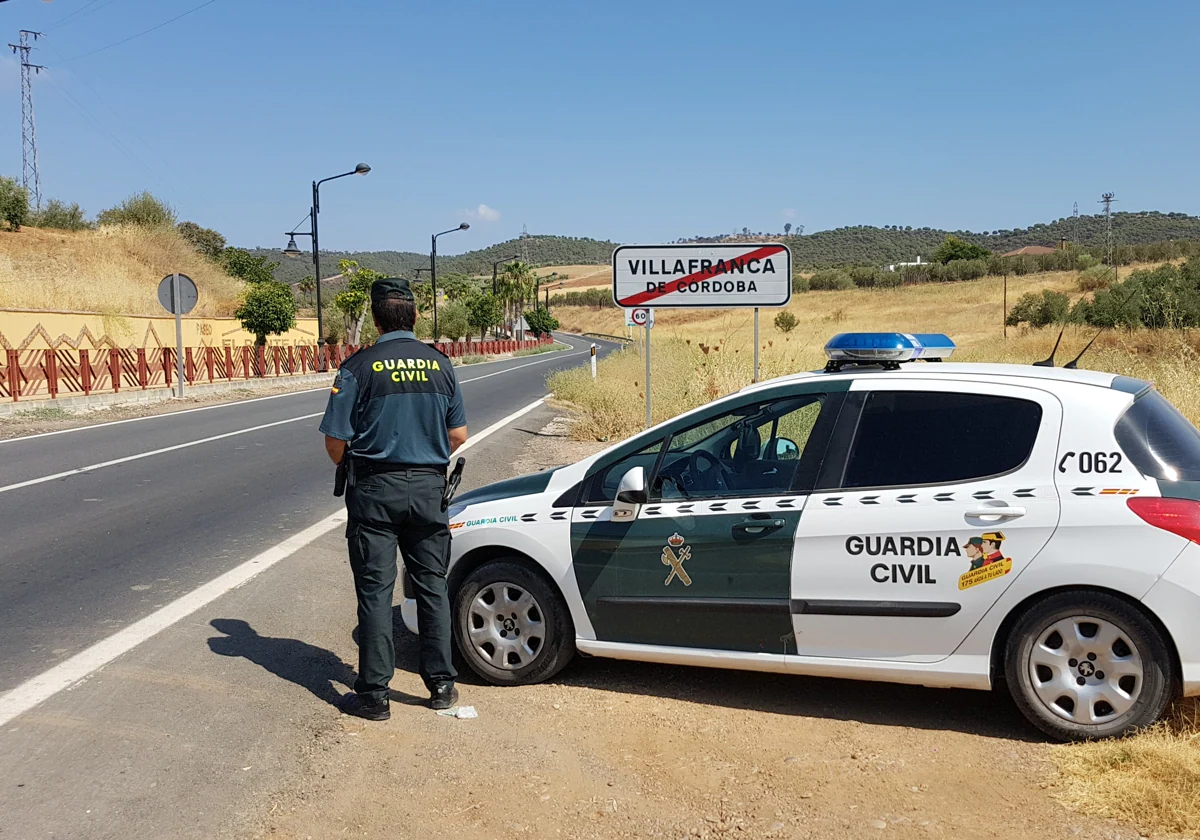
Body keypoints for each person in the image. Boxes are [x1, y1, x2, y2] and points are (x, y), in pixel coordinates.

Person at [319, 277, 468, 721]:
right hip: (428, 491)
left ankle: (375, 696)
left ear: (377, 318)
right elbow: (458, 434)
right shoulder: (441, 366)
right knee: (432, 588)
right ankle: (441, 686)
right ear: (415, 315)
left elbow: (334, 444)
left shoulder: (358, 366)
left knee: (376, 592)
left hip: (374, 494)